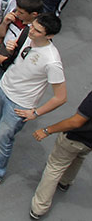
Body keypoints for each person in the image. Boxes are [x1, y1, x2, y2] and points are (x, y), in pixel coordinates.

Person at [0, 14, 67, 194]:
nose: (31, 31)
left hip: (20, 104)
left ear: (49, 36)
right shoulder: (28, 36)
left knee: (4, 140)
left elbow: (60, 97)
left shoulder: (52, 61)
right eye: (32, 27)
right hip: (3, 88)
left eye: (37, 30)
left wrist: (35, 113)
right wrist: (11, 49)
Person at [28, 87, 92, 219]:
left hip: (74, 139)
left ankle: (39, 208)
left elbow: (76, 121)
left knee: (54, 168)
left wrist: (47, 130)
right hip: (89, 144)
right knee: (79, 157)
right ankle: (65, 182)